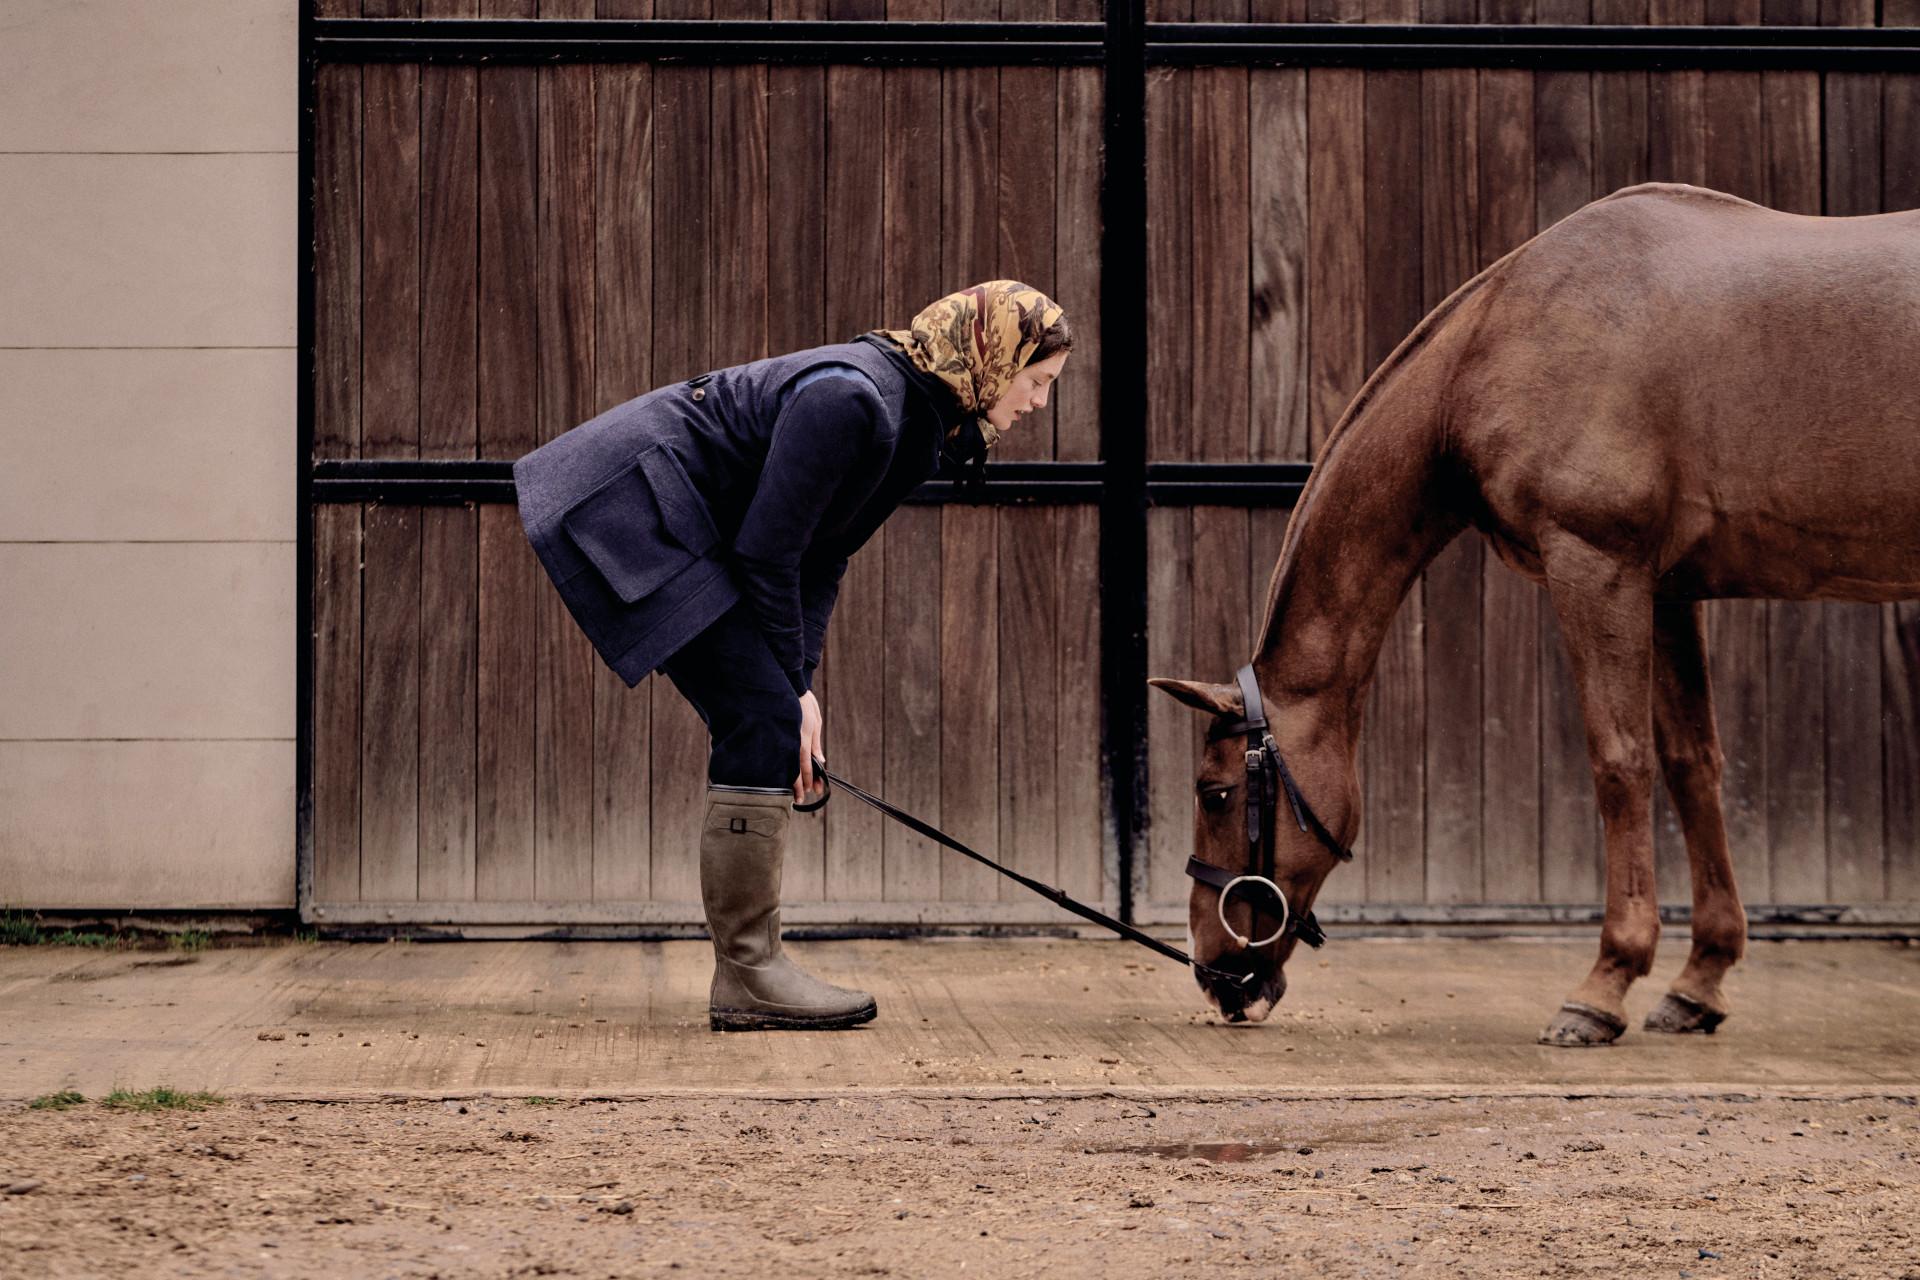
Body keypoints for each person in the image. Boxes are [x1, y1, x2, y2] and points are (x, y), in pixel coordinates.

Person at [514, 281, 1073, 1031]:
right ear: (992, 357)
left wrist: (799, 682)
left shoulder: (919, 420)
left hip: (687, 524)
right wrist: (790, 693)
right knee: (764, 719)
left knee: (772, 717)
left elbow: (822, 556)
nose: (1038, 403)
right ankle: (749, 975)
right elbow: (771, 553)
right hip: (632, 507)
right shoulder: (855, 401)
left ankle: (752, 970)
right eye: (1036, 382)